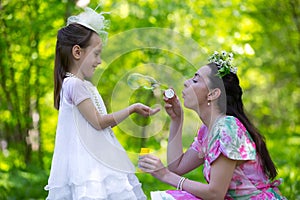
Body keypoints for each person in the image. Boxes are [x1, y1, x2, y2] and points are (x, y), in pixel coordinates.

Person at [44, 7, 160, 200]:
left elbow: (99, 124)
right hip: (90, 166)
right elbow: (99, 122)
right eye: (96, 54)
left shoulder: (82, 85)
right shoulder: (74, 84)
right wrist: (131, 109)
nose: (99, 61)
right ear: (77, 52)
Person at [138, 51, 286, 199]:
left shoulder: (227, 128)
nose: (186, 82)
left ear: (212, 94)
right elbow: (177, 167)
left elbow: (215, 194)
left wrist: (165, 175)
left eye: (196, 80)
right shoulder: (208, 131)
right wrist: (177, 120)